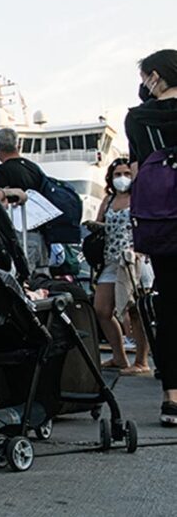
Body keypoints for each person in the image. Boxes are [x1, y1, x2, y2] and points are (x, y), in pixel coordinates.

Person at [125, 49, 177, 426]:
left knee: (170, 306)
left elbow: (137, 169)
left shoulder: (139, 119)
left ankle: (172, 398)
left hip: (164, 222)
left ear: (156, 77)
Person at [85, 158, 150, 374]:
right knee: (102, 309)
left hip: (132, 259)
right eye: (117, 174)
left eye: (126, 173)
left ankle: (141, 361)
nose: (122, 178)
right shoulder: (109, 199)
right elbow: (101, 222)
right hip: (110, 259)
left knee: (134, 310)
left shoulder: (140, 198)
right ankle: (119, 357)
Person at [0, 127, 49, 273]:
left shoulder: (0, 171)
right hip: (40, 236)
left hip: (20, 235)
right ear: (18, 145)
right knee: (41, 283)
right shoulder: (34, 168)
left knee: (23, 282)